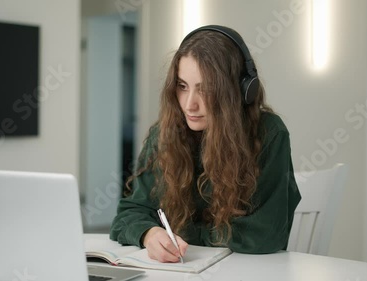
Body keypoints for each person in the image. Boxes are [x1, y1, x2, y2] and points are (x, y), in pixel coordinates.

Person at [109, 25, 301, 263]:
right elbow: (130, 212)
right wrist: (150, 233)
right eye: (182, 86)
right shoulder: (166, 134)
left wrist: (183, 232)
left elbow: (263, 235)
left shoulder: (269, 133)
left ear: (238, 91)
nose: (190, 104)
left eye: (205, 89)